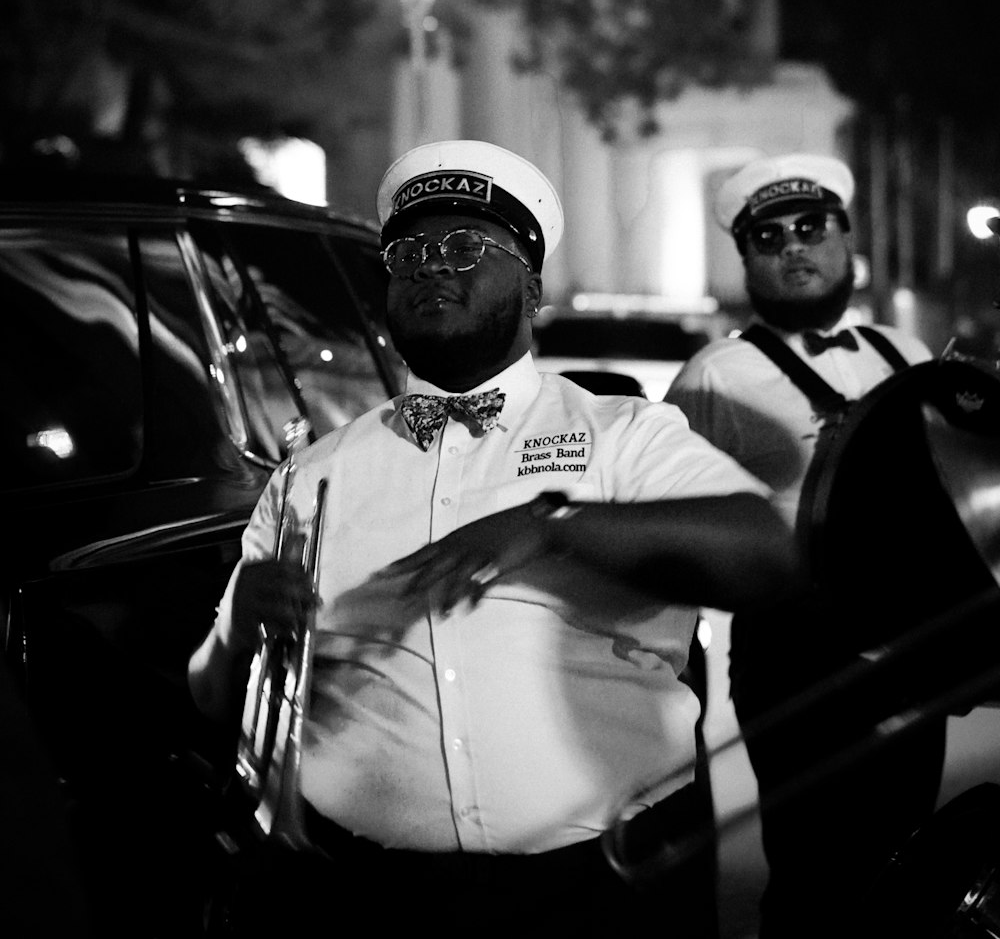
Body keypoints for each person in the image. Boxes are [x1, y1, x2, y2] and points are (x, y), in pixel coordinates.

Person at [189, 139, 798, 938]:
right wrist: (239, 626)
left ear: (533, 287)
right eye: (407, 252)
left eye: (466, 246)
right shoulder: (311, 474)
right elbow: (208, 692)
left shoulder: (625, 434)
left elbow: (768, 551)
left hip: (602, 887)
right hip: (371, 895)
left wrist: (554, 526)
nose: (431, 266)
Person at [667, 153, 943, 939]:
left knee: (906, 868)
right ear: (748, 258)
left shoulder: (905, 355)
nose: (794, 247)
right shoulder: (713, 376)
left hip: (909, 645)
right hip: (795, 650)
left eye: (811, 227)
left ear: (845, 239)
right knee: (818, 876)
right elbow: (681, 524)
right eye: (768, 236)